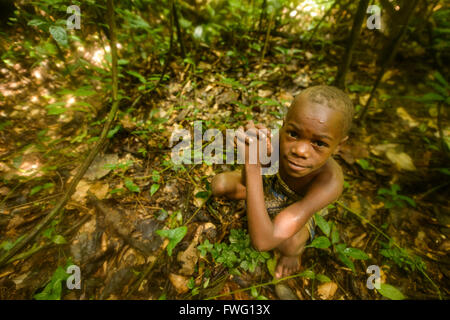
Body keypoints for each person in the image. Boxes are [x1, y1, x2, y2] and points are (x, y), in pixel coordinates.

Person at [211, 85, 353, 279]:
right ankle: (263, 210)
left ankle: (293, 254)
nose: (300, 150)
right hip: (272, 186)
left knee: (290, 244)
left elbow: (262, 242)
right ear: (285, 125)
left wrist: (253, 166)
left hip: (297, 209)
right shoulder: (280, 140)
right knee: (219, 184)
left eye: (319, 143)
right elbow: (248, 179)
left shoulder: (330, 182)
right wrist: (255, 150)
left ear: (339, 145)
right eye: (293, 134)